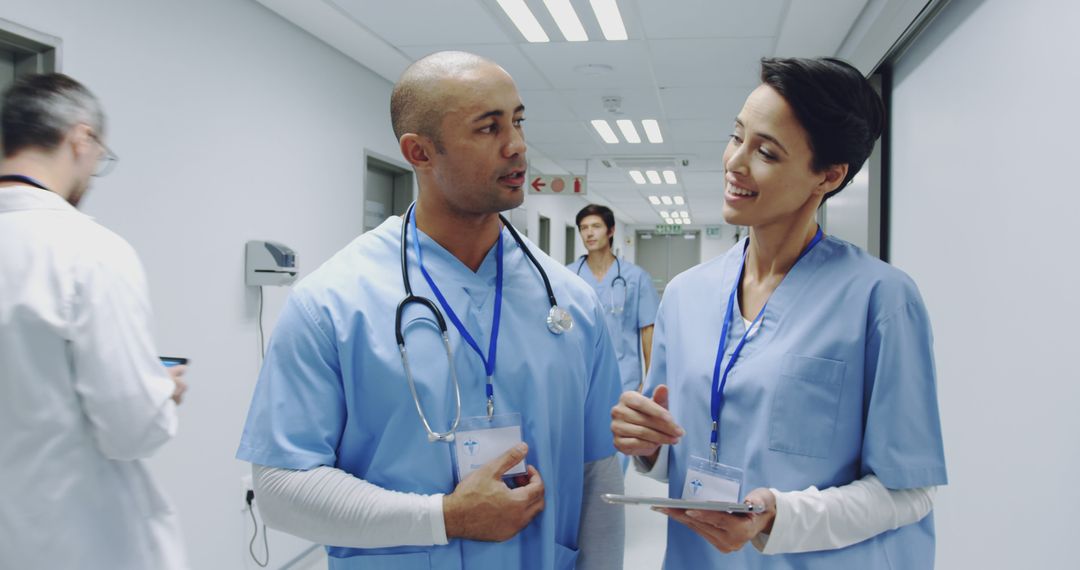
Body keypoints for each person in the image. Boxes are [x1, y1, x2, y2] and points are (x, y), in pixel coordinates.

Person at [236, 51, 624, 570]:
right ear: (419, 152)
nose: (517, 146)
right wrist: (443, 517)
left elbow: (598, 470)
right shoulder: (332, 303)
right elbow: (281, 488)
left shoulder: (570, 300)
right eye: (488, 128)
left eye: (518, 120)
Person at [610, 57, 947, 568]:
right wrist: (646, 446)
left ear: (829, 177)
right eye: (736, 136)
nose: (735, 162)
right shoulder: (686, 294)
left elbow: (910, 491)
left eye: (765, 151)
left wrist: (779, 517)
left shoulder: (881, 300)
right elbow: (669, 450)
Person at [0, 74, 189, 569]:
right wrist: (160, 392)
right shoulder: (88, 251)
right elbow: (131, 430)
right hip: (79, 544)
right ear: (81, 140)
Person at [569, 204, 659, 394]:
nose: (589, 233)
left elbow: (648, 332)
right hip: (579, 375)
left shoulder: (636, 277)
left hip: (624, 378)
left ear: (611, 230)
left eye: (596, 226)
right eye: (584, 228)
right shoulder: (568, 277)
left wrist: (649, 380)